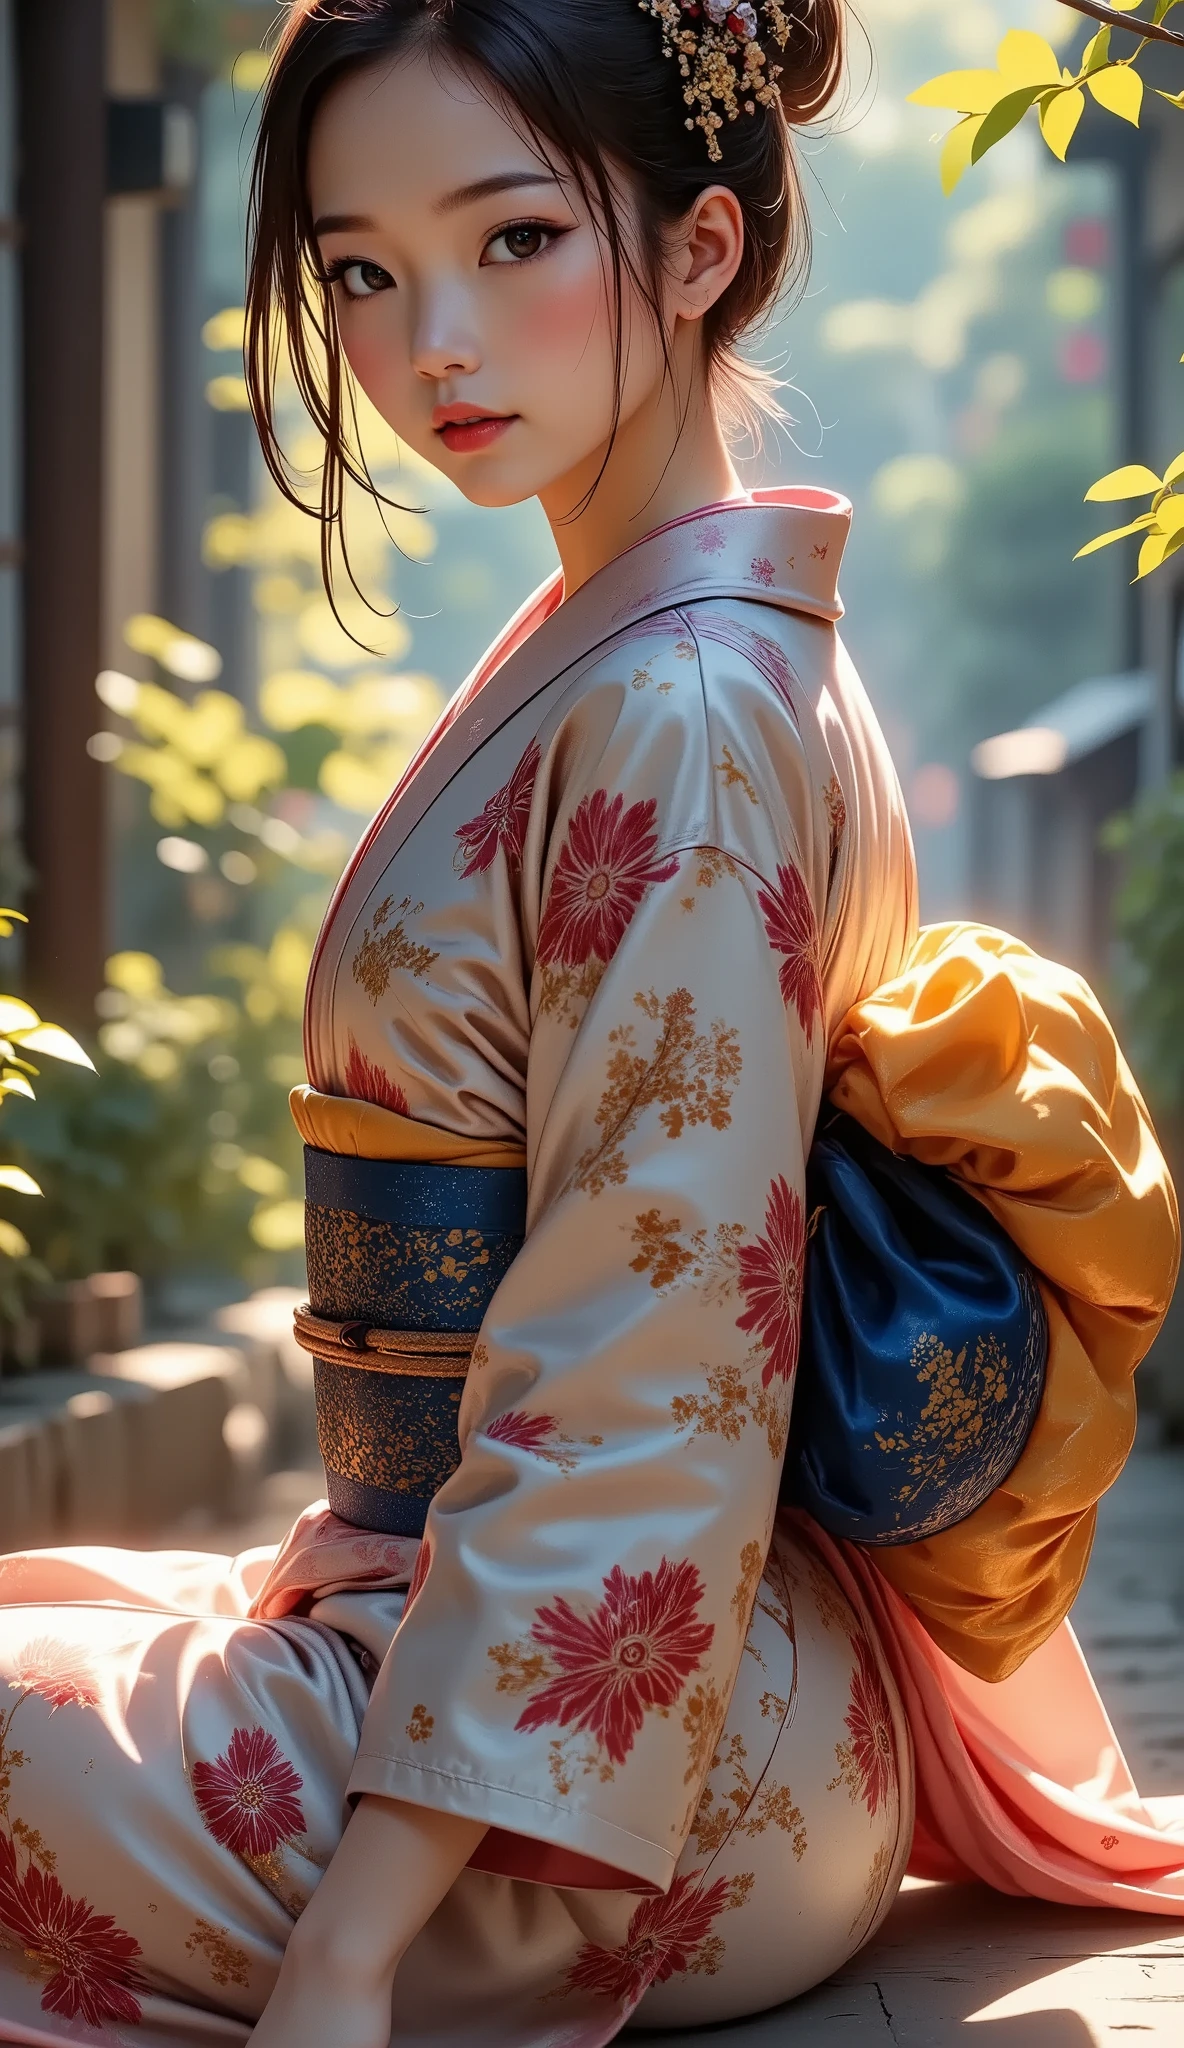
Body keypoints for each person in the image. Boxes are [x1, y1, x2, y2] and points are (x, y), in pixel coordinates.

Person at [0, 3, 1180, 2045]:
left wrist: (356, 1951)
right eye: (359, 270)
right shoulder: (662, 641)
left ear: (702, 246)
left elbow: (650, 1360)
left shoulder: (683, 710)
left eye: (512, 240)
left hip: (625, 1788)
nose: (424, 341)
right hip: (639, 1695)